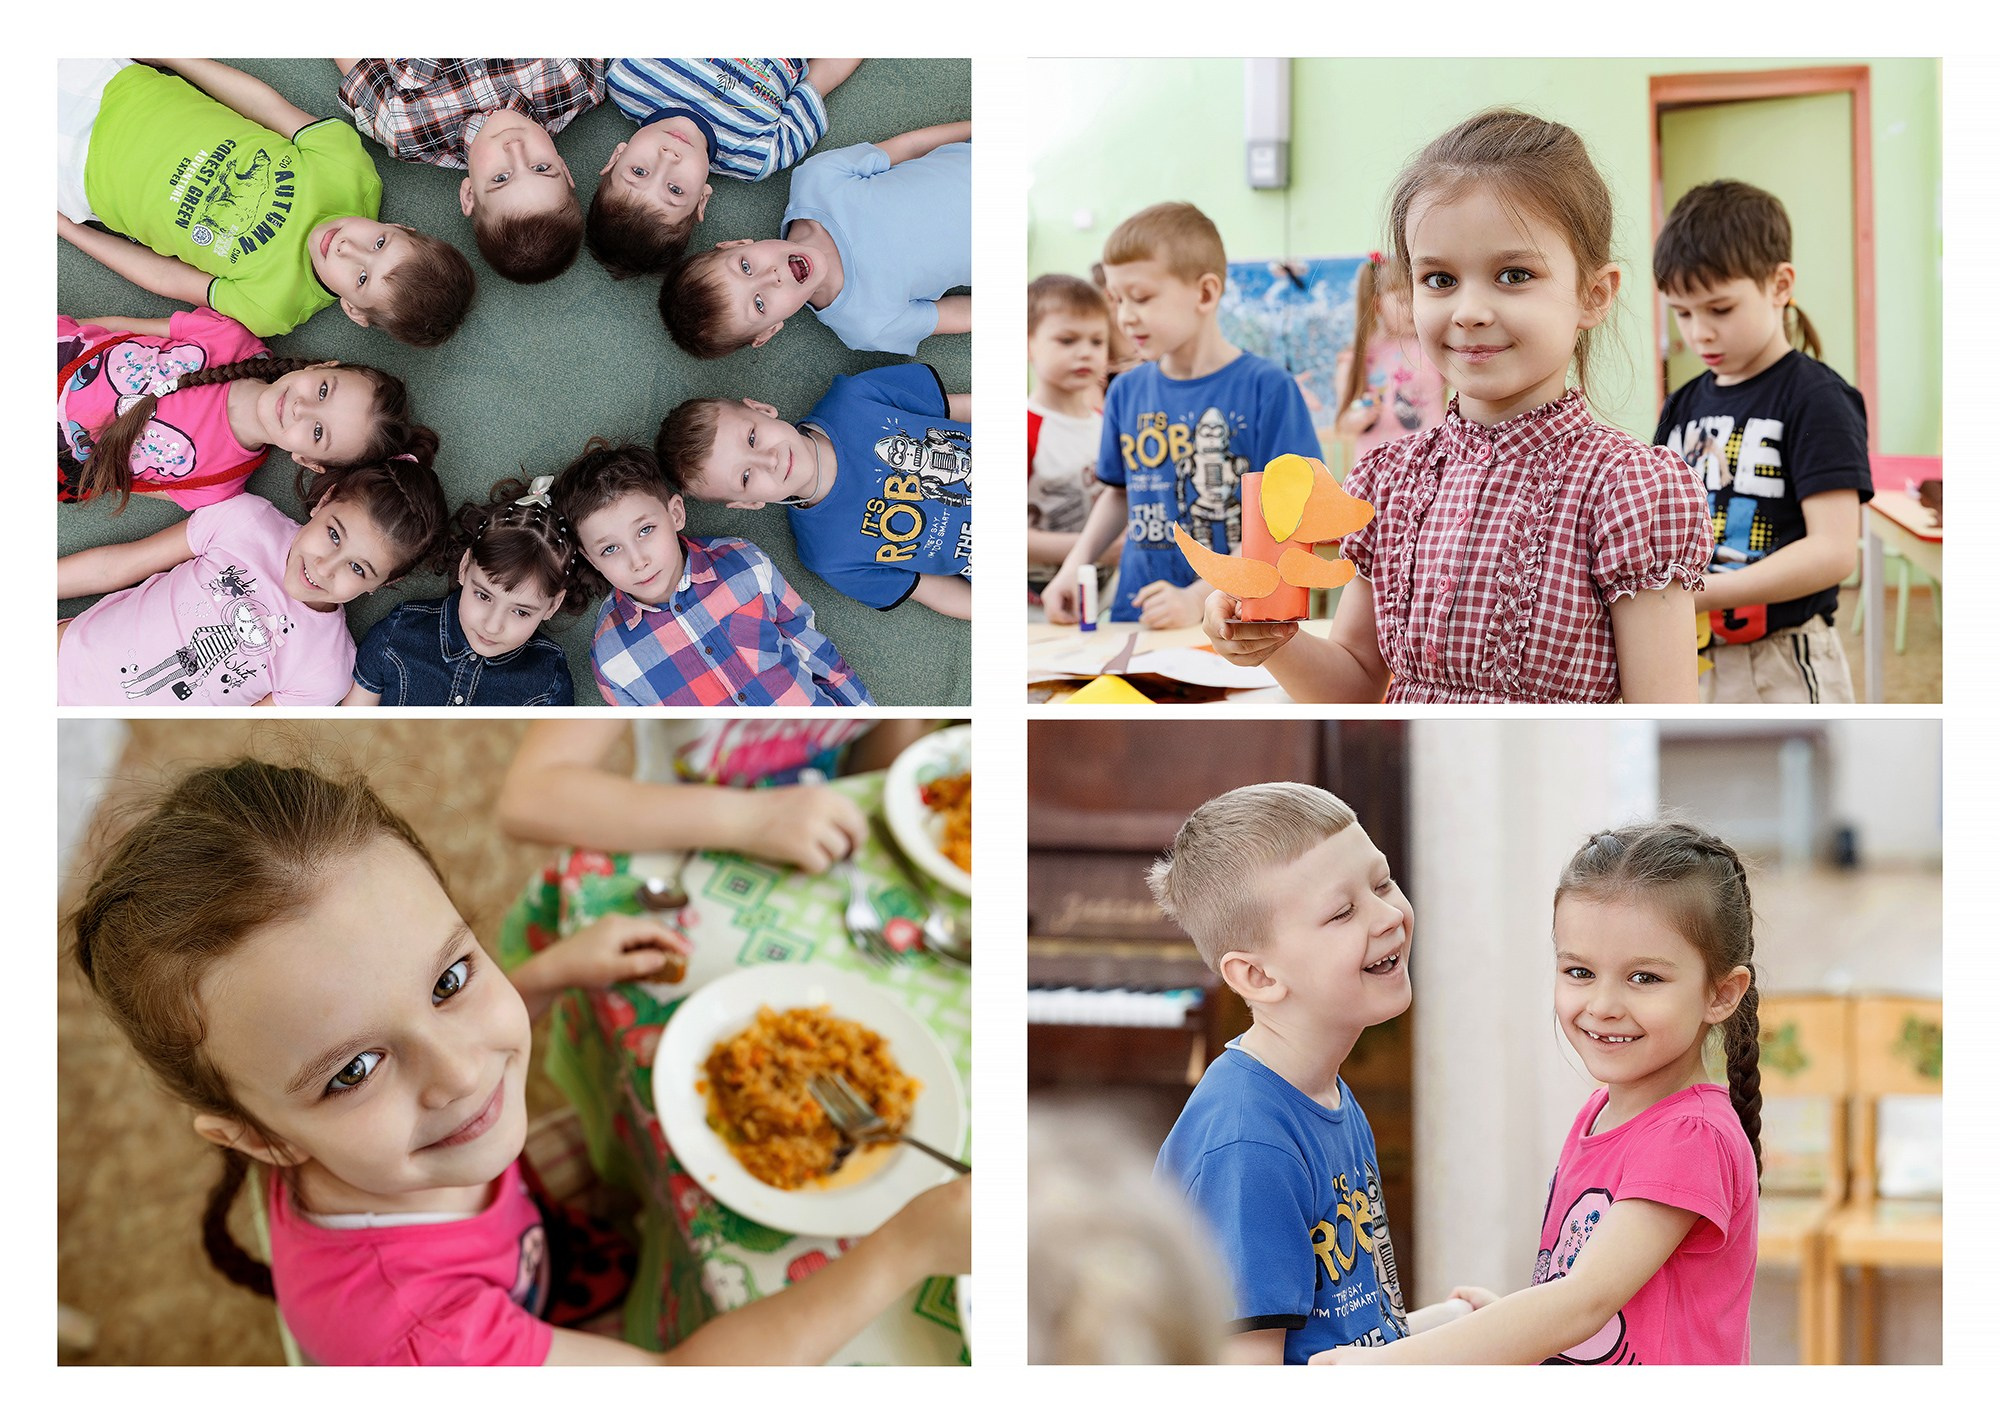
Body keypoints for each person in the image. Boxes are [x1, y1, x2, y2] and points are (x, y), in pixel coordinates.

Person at [67, 756, 971, 1366]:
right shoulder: (428, 1339)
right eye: (354, 1071)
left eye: (450, 978)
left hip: (533, 1249)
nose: (465, 1074)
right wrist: (903, 1249)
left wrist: (548, 974)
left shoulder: (367, 1132)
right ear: (260, 1138)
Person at [1201, 110, 1712, 702]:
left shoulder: (1628, 489)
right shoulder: (1388, 481)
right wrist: (1272, 638)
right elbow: (1357, 687)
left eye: (1513, 274)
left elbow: (1662, 719)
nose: (1468, 311)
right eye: (1439, 279)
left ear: (1593, 295)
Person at [1315, 822, 1760, 1365]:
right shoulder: (1603, 1112)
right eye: (1580, 971)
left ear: (1722, 993)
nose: (1603, 1005)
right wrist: (1507, 1321)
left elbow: (1584, 1302)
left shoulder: (1690, 1137)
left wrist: (1387, 1366)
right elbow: (1597, 1299)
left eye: (1644, 978)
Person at [1150, 782, 1468, 1363]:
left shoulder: (1322, 1093)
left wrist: (1459, 1323)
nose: (1388, 916)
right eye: (1342, 912)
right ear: (1258, 977)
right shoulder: (1250, 1144)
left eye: (1382, 883)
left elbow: (1347, 1339)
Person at [58, 59, 475, 345]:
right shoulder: (352, 173)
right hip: (121, 88)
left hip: (74, 175)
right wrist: (175, 57)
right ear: (401, 227)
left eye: (362, 278)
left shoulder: (272, 307)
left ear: (353, 309)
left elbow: (165, 277)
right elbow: (265, 104)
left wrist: (68, 229)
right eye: (380, 243)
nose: (348, 248)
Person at [1044, 203, 1322, 630]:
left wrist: (1199, 597)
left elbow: (1288, 524)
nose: (1125, 316)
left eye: (1141, 298)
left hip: (1236, 622)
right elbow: (1120, 493)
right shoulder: (1125, 391)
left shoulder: (1268, 388)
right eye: (1117, 300)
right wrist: (1075, 564)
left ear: (1205, 294)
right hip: (1139, 614)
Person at [1653, 180, 1871, 703]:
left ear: (1779, 285)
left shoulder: (1816, 399)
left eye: (1720, 309)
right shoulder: (1681, 405)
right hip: (1694, 656)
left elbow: (1834, 551)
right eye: (1683, 312)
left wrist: (1705, 593)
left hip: (1783, 661)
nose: (1698, 333)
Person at [58, 461, 449, 706]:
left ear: (384, 583)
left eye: (358, 569)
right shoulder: (246, 521)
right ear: (325, 499)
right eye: (333, 534)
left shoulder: (327, 669)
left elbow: (234, 740)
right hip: (64, 656)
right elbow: (118, 566)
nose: (325, 568)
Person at [549, 439, 871, 705]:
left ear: (675, 514)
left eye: (645, 530)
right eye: (610, 549)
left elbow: (815, 651)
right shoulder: (611, 656)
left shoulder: (744, 563)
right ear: (591, 559)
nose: (638, 561)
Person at [659, 365, 971, 619]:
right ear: (749, 502)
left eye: (752, 438)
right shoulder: (827, 555)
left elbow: (959, 408)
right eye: (745, 477)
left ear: (761, 409)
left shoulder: (854, 396)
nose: (769, 460)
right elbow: (934, 590)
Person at [59, 308, 434, 510]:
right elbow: (126, 327)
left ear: (308, 461)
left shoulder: (218, 485)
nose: (302, 408)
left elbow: (121, 482)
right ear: (322, 367)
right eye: (323, 390)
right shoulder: (230, 337)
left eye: (318, 431)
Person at [662, 121, 970, 358]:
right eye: (759, 304)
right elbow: (953, 315)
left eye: (745, 267)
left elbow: (910, 146)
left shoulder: (816, 179)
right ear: (769, 331)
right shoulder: (865, 324)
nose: (771, 277)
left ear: (736, 244)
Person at [334, 58, 607, 284]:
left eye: (501, 178)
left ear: (469, 195)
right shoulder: (577, 80)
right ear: (564, 168)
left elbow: (359, 66)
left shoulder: (405, 130)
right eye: (541, 167)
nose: (515, 147)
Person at [588, 58, 862, 279]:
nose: (668, 158)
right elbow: (826, 72)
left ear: (616, 156)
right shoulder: (758, 155)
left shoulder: (627, 76)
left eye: (639, 172)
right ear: (702, 199)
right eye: (675, 189)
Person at [345, 476, 579, 707]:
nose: (492, 626)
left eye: (521, 612)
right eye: (483, 596)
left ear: (553, 605)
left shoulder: (549, 682)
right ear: (465, 566)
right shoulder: (400, 632)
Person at [1026, 274, 1113, 605]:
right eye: (1067, 340)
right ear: (1028, 344)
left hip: (1106, 596)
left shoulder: (1108, 425)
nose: (1085, 353)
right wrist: (1101, 547)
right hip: (1036, 601)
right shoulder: (1025, 427)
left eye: (1097, 341)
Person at [1332, 253, 1445, 465]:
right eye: (1403, 300)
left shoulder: (1433, 348)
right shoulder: (1356, 357)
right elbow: (1343, 424)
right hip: (1375, 470)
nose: (1413, 308)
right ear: (1377, 305)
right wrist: (1361, 417)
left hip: (1428, 465)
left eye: (1418, 299)